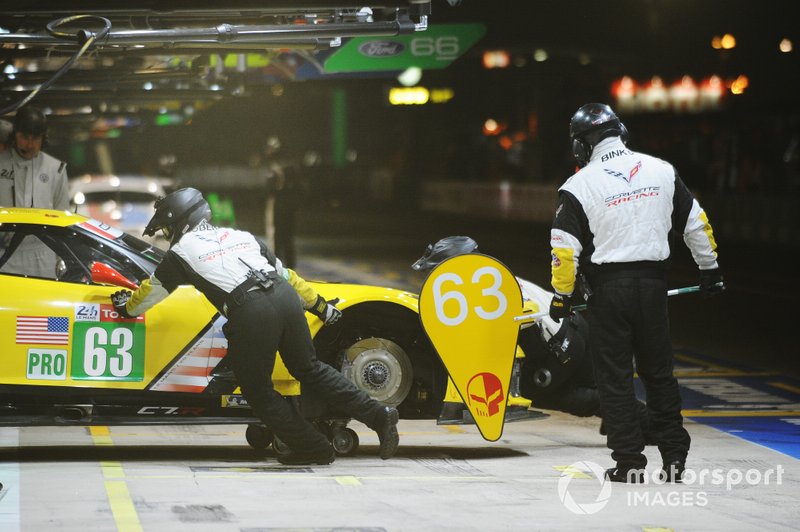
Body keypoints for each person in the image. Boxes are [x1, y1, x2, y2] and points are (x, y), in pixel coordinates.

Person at [111, 187, 400, 465]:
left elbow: (152, 291)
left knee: (257, 390)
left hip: (251, 310)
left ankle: (313, 447)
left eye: (167, 229)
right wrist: (320, 307)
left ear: (180, 224)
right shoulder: (241, 236)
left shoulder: (180, 253)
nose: (166, 235)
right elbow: (289, 276)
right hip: (285, 297)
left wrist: (127, 306)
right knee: (309, 368)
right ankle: (379, 416)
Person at [549, 103, 725, 483]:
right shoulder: (662, 170)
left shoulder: (577, 186)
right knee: (660, 375)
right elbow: (696, 223)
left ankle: (629, 463)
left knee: (615, 380)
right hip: (653, 289)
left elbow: (564, 250)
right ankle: (675, 457)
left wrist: (561, 296)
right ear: (620, 131)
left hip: (608, 294)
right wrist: (709, 270)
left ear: (582, 144)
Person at [412, 236, 651, 429]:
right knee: (599, 389)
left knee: (553, 397)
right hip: (574, 326)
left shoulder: (475, 293)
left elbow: (516, 323)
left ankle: (641, 418)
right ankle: (626, 421)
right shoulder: (494, 277)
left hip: (558, 351)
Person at [0, 107, 69, 278]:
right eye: (24, 137)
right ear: (14, 135)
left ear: (43, 139)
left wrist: (62, 258)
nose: (29, 145)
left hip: (43, 254)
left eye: (35, 139)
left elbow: (63, 218)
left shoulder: (56, 169)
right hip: (4, 254)